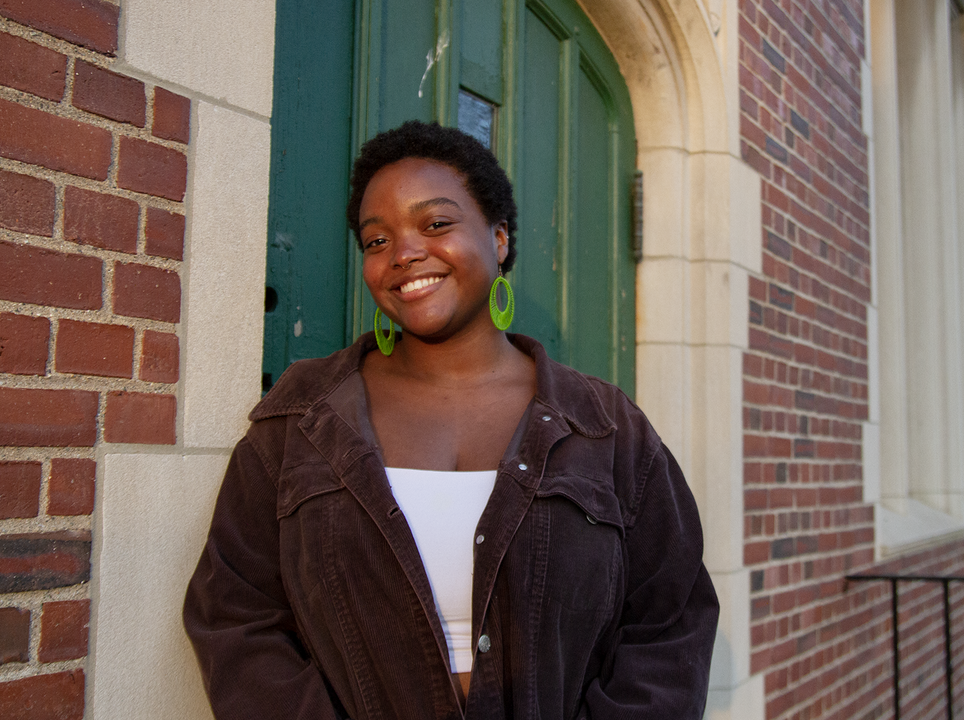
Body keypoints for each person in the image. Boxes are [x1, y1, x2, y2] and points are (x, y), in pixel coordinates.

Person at [183, 121, 718, 720]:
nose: (404, 253)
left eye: (435, 224)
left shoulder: (605, 427)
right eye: (376, 240)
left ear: (500, 237)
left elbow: (669, 621)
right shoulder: (301, 419)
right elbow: (235, 611)